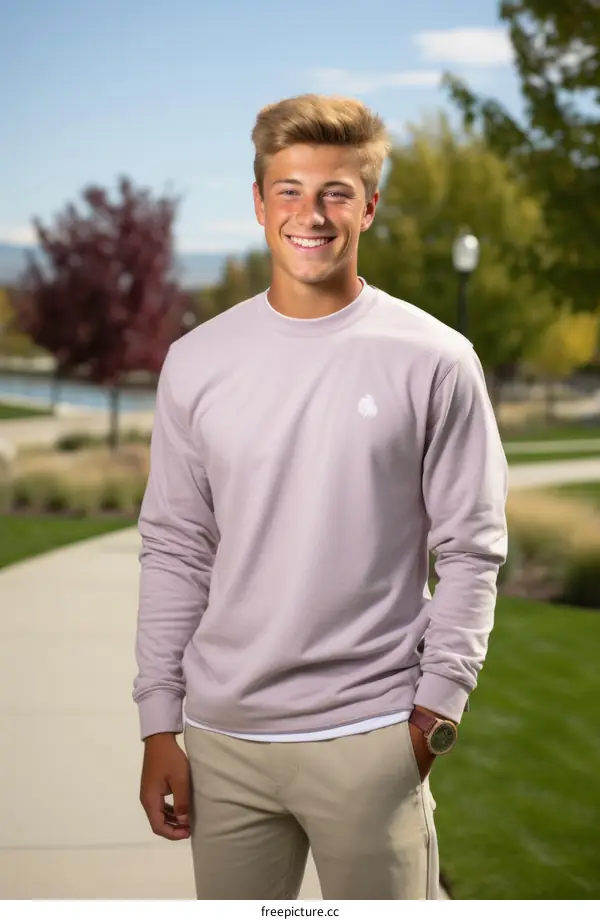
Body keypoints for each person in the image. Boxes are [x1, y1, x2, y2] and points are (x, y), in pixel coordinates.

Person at [133, 93, 508, 901]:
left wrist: (433, 712)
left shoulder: (435, 359)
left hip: (370, 736)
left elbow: (472, 547)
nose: (312, 213)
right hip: (224, 741)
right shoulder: (197, 361)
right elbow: (175, 544)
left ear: (369, 205)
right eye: (291, 190)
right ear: (260, 202)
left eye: (337, 192)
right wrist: (160, 721)